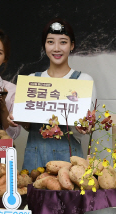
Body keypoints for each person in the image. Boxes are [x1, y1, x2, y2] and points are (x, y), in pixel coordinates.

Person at [7, 18, 96, 171]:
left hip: (69, 161)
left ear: (72, 45)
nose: (56, 48)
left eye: (63, 42)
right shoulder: (32, 80)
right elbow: (31, 126)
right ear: (44, 46)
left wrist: (85, 126)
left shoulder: (83, 81)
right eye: (50, 42)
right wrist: (17, 119)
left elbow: (86, 125)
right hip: (34, 159)